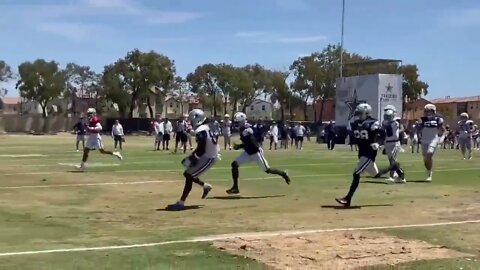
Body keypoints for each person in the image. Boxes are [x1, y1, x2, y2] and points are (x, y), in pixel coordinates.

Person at [226, 112, 291, 194]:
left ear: (242, 121)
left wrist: (240, 146)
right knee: (234, 164)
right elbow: (248, 144)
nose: (236, 124)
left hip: (256, 152)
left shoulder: (247, 130)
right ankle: (235, 187)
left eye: (237, 122)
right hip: (248, 152)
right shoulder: (244, 128)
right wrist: (241, 146)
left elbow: (253, 144)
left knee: (267, 170)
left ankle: (284, 174)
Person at [166, 109, 218, 211]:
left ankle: (181, 203)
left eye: (191, 119)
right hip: (207, 154)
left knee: (189, 175)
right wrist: (193, 156)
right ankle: (205, 186)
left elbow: (202, 147)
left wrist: (193, 157)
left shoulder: (201, 129)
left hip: (209, 157)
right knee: (187, 174)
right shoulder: (206, 127)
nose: (190, 121)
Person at [335, 103, 381, 207]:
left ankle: (348, 199)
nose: (358, 116)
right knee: (376, 175)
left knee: (356, 174)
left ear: (367, 113)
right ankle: (395, 167)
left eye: (360, 114)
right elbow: (354, 136)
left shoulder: (373, 123)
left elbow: (383, 134)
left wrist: (378, 142)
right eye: (358, 114)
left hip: (369, 153)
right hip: (362, 153)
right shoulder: (355, 124)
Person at [374, 105, 406, 183]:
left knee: (393, 161)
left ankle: (393, 176)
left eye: (389, 116)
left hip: (395, 143)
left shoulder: (396, 121)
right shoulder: (384, 122)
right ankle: (400, 176)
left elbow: (395, 131)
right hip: (387, 143)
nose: (387, 117)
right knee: (391, 161)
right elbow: (383, 133)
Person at [417, 104, 445, 182]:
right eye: (426, 111)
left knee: (429, 154)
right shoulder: (422, 119)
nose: (428, 112)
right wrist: (417, 137)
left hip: (433, 139)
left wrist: (441, 138)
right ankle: (429, 171)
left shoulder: (438, 119)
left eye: (429, 111)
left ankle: (429, 175)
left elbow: (443, 129)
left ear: (433, 111)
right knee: (425, 159)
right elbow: (418, 130)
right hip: (424, 140)